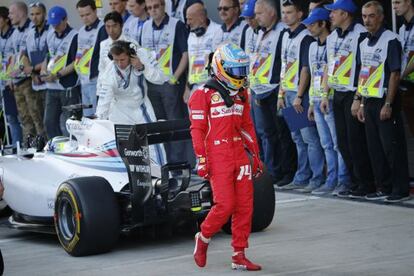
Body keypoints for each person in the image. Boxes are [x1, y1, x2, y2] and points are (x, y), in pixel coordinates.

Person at [190, 43, 262, 271]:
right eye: (236, 70)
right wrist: (201, 159)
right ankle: (203, 238)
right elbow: (197, 130)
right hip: (217, 155)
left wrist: (256, 156)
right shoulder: (202, 94)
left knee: (245, 206)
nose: (241, 76)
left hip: (239, 153)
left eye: (243, 70)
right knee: (225, 205)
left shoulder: (242, 94)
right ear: (220, 67)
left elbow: (247, 127)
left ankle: (239, 254)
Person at [356, 1, 410, 202]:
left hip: (386, 100)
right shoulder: (363, 42)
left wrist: (388, 103)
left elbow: (395, 74)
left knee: (392, 147)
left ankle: (400, 188)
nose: (367, 20)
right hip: (369, 100)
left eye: (371, 16)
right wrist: (361, 102)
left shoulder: (391, 40)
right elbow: (363, 74)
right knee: (375, 148)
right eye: (364, 16)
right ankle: (384, 187)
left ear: (380, 16)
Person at [322, 0, 375, 197]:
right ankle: (353, 181)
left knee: (356, 141)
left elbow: (365, 66)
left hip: (354, 92)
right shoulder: (332, 36)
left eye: (334, 11)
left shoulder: (360, 33)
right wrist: (325, 93)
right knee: (343, 142)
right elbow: (330, 64)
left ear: (345, 14)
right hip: (337, 94)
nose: (330, 15)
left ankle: (366, 183)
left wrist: (359, 98)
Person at [277, 0, 325, 193]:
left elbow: (305, 70)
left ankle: (315, 178)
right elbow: (284, 65)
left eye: (289, 12)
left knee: (309, 138)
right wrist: (281, 93)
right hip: (288, 93)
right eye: (284, 12)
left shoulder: (305, 37)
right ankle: (302, 177)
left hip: (300, 96)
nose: (285, 16)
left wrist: (298, 95)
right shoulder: (286, 35)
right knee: (297, 138)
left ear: (300, 14)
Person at [96, 40, 166, 165]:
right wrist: (98, 120)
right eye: (116, 60)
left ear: (130, 55)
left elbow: (161, 78)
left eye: (122, 59)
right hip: (119, 110)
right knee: (121, 148)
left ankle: (163, 175)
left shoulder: (142, 55)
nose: (119, 63)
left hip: (141, 106)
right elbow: (104, 101)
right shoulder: (109, 72)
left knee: (153, 143)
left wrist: (142, 67)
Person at [304, 7, 351, 194]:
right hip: (314, 99)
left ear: (323, 24)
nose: (309, 28)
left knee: (337, 143)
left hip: (329, 99)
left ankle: (342, 180)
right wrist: (309, 101)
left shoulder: (333, 42)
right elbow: (308, 72)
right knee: (323, 143)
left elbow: (330, 71)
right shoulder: (311, 45)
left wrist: (323, 96)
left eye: (313, 24)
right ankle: (330, 180)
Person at [250, 0, 297, 186]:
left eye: (259, 13)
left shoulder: (283, 32)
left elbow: (284, 61)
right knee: (268, 133)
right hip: (261, 91)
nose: (256, 17)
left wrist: (280, 90)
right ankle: (274, 171)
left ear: (271, 13)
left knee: (290, 134)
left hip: (282, 90)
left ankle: (290, 172)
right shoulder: (259, 33)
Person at [140, 0, 190, 164]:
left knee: (174, 124)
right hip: (151, 85)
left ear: (163, 6)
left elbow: (185, 54)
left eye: (156, 6)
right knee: (157, 125)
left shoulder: (177, 25)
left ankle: (178, 163)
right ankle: (163, 162)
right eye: (149, 8)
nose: (153, 10)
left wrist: (174, 78)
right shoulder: (145, 27)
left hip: (170, 84)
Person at [40, 6, 80, 138]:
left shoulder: (75, 35)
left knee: (71, 123)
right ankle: (56, 148)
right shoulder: (50, 34)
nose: (55, 27)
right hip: (51, 87)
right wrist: (43, 70)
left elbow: (76, 62)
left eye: (57, 23)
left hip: (67, 86)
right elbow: (48, 55)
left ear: (65, 20)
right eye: (52, 24)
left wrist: (58, 75)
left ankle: (75, 149)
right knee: (49, 122)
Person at [9, 1, 45, 142]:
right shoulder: (15, 32)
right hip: (17, 81)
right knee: (24, 118)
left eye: (12, 13)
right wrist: (11, 78)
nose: (10, 16)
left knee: (36, 116)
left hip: (29, 80)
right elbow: (16, 55)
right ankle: (30, 145)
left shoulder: (32, 29)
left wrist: (31, 73)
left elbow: (28, 55)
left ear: (20, 13)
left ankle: (42, 144)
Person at [75, 0, 108, 116]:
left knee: (97, 116)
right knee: (87, 117)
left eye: (88, 14)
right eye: (82, 15)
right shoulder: (81, 31)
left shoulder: (103, 28)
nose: (85, 18)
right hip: (83, 80)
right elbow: (79, 54)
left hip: (96, 80)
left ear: (95, 11)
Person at [185, 2, 220, 101]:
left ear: (201, 18)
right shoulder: (191, 35)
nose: (187, 22)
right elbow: (191, 63)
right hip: (194, 88)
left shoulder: (217, 31)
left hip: (212, 88)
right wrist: (187, 87)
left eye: (190, 19)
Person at [0, 6, 22, 146]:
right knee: (9, 117)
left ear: (6, 19)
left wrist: (13, 78)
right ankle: (12, 145)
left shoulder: (15, 34)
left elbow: (18, 56)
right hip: (2, 82)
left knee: (17, 117)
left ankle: (18, 145)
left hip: (14, 81)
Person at [393, 0, 414, 137]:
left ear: (409, 2)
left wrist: (401, 75)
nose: (394, 6)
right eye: (393, 3)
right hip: (407, 87)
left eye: (398, 2)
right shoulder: (401, 29)